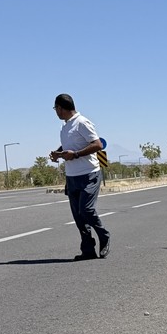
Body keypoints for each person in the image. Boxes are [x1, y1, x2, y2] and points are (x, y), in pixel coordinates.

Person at [50, 93, 110, 261]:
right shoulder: (65, 127)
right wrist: (58, 153)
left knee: (86, 209)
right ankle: (88, 249)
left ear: (61, 108)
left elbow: (97, 144)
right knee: (78, 215)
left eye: (56, 109)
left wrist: (75, 154)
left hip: (89, 173)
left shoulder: (82, 122)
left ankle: (104, 235)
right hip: (72, 176)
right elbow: (70, 146)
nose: (56, 112)